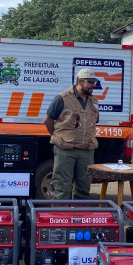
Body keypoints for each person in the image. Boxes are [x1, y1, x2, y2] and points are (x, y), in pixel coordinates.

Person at [43, 68, 100, 199]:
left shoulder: (94, 102)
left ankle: (80, 218)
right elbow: (48, 120)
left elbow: (93, 121)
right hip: (65, 150)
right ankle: (60, 218)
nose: (93, 85)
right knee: (62, 188)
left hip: (86, 150)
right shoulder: (62, 98)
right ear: (80, 81)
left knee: (84, 188)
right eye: (90, 82)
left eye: (94, 82)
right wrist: (57, 136)